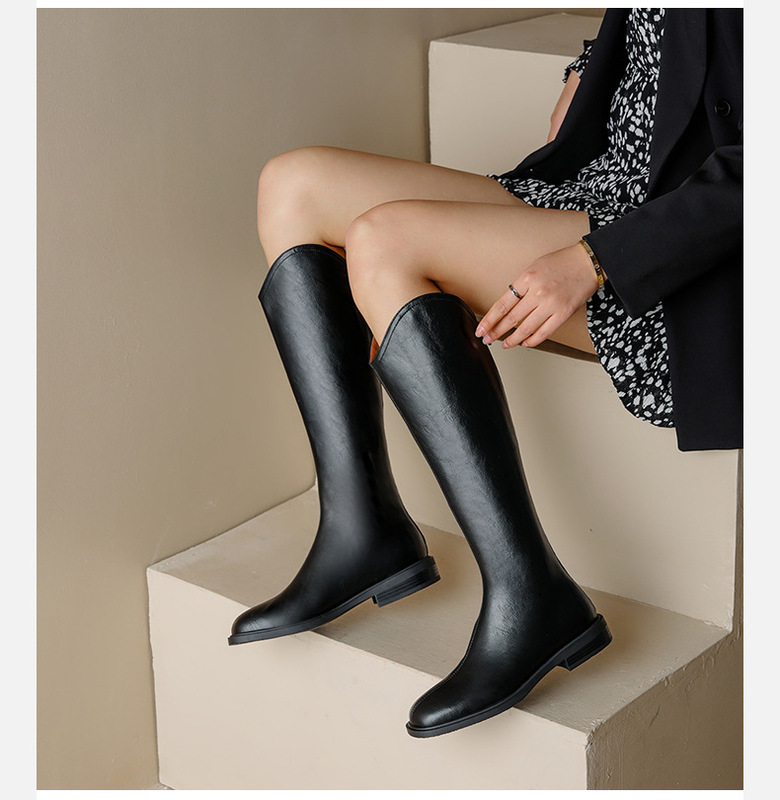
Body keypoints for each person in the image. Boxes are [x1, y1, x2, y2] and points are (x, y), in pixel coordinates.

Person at [228, 8, 743, 738]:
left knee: (384, 242)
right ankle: (361, 527)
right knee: (292, 185)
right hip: (601, 187)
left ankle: (532, 592)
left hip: (691, 255)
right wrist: (590, 64)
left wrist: (599, 260)